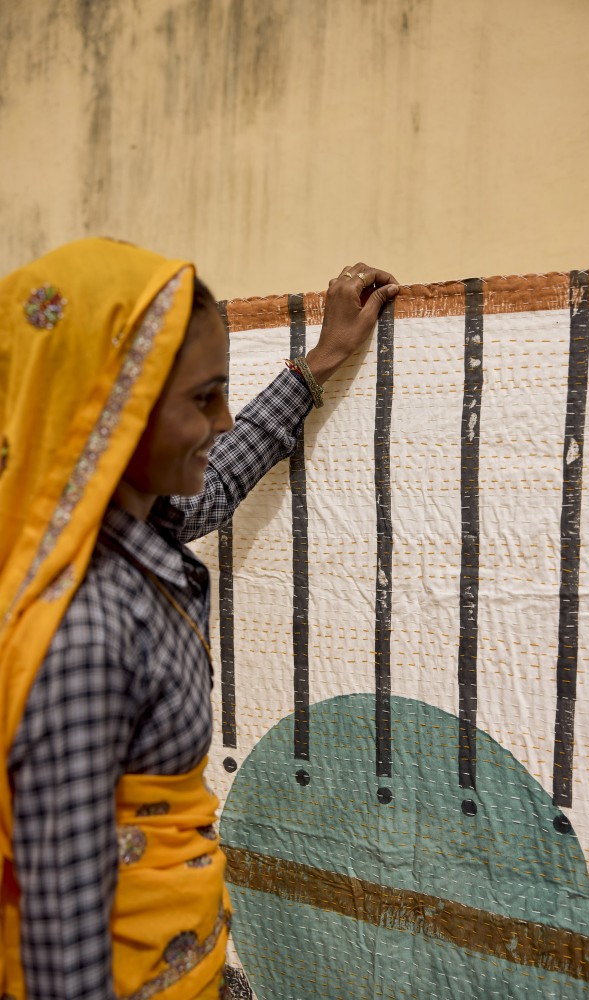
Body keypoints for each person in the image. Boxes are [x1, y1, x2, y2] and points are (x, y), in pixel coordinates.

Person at [0, 238, 399, 1000]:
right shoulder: (83, 631)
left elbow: (211, 489)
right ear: (112, 409)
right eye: (203, 398)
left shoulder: (106, 527)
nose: (222, 420)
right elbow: (65, 951)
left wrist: (319, 362)